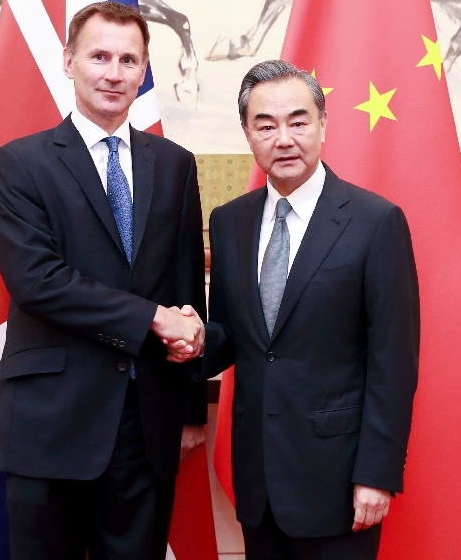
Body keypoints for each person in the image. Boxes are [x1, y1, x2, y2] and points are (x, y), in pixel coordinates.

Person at [0, 0, 207, 560]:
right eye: (99, 56)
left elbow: (185, 288)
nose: (114, 73)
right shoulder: (20, 163)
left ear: (143, 70)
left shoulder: (174, 165)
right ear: (69, 62)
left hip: (145, 425)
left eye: (128, 60)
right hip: (50, 423)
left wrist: (190, 408)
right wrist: (151, 318)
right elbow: (37, 281)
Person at [188, 59, 420, 560]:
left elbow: (393, 362)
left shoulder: (375, 221)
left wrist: (376, 474)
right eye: (266, 126)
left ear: (323, 125)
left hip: (339, 479)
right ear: (247, 134)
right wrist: (187, 338)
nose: (284, 139)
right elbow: (231, 334)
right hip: (258, 479)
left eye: (298, 122)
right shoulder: (230, 223)